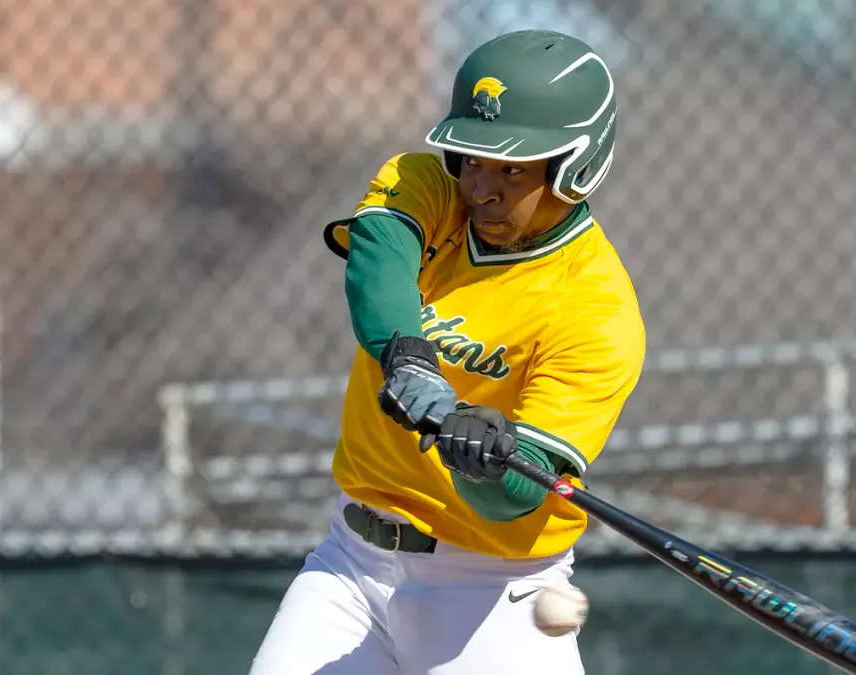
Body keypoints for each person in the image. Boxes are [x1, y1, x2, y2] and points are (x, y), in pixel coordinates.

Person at [248, 28, 645, 675]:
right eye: (474, 158)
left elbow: (522, 489)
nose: (481, 186)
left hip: (494, 595)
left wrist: (486, 459)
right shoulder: (428, 182)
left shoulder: (598, 312)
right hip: (351, 565)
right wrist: (409, 357)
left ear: (576, 165)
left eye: (512, 169)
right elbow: (378, 260)